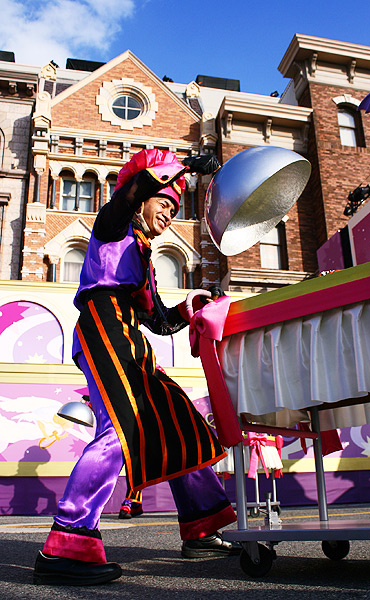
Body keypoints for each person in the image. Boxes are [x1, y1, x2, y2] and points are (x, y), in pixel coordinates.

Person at [33, 149, 239, 586]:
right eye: (164, 203)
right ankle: (66, 544)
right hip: (103, 329)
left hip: (131, 339)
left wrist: (192, 306)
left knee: (181, 420)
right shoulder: (113, 224)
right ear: (143, 199)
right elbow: (133, 188)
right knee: (122, 431)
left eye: (175, 209)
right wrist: (185, 166)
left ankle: (202, 527)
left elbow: (159, 321)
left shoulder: (144, 257)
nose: (169, 213)